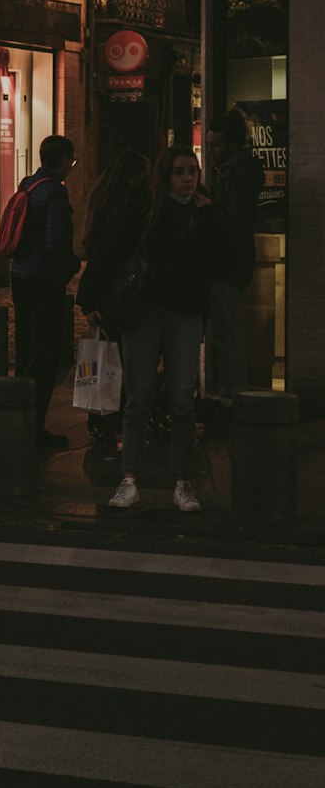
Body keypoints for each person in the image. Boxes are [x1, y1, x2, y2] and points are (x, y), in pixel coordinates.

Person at [109, 145, 221, 513]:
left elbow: (220, 258)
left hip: (185, 313)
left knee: (182, 399)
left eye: (192, 171)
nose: (187, 178)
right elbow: (116, 249)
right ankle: (130, 479)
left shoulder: (204, 213)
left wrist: (209, 218)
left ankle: (183, 481)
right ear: (166, 175)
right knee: (137, 397)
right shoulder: (147, 209)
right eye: (179, 172)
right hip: (145, 312)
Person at [75, 149, 151, 446]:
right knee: (117, 359)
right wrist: (90, 300)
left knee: (110, 357)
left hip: (108, 294)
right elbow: (106, 258)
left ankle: (105, 416)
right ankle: (111, 418)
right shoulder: (123, 210)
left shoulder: (105, 202)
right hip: (116, 295)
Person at [9, 133, 80, 450]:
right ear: (63, 159)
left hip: (20, 275)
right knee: (44, 355)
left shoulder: (28, 184)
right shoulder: (54, 192)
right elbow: (55, 243)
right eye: (71, 161)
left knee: (26, 349)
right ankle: (34, 427)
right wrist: (71, 267)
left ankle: (18, 421)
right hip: (43, 280)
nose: (71, 166)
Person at [206, 109, 264, 409]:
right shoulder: (229, 170)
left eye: (215, 144)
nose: (211, 150)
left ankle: (235, 393)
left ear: (230, 144)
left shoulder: (241, 172)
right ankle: (230, 389)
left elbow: (234, 220)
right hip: (227, 263)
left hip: (230, 265)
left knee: (228, 330)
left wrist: (208, 208)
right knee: (225, 330)